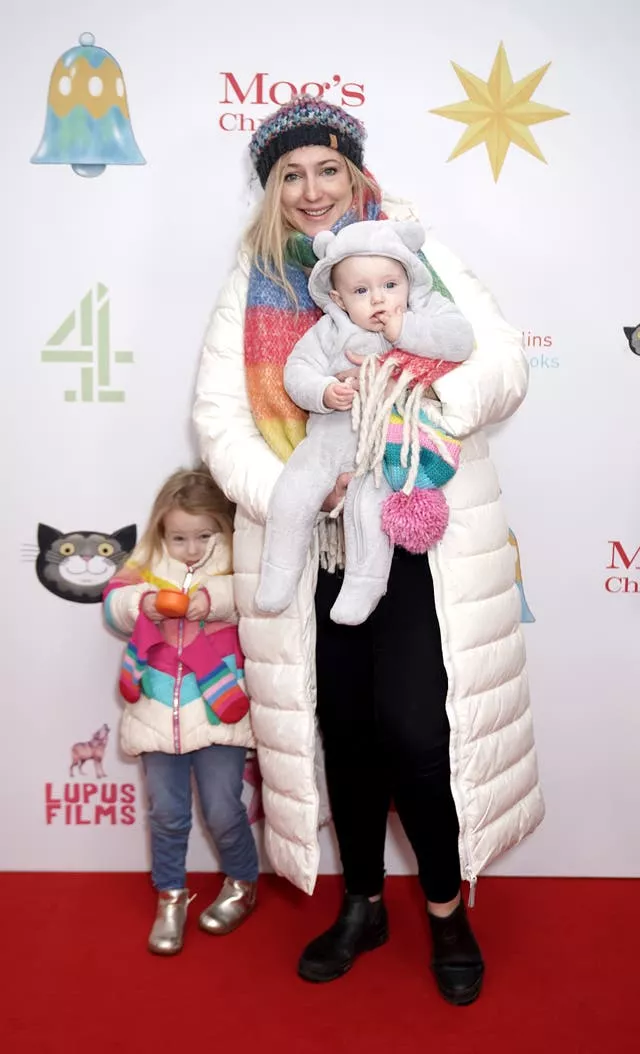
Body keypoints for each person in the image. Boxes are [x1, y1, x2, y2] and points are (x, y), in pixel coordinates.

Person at [193, 94, 544, 1006]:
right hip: (314, 543)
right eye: (291, 176)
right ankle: (360, 904)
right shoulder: (254, 280)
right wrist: (299, 493)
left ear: (354, 173)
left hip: (417, 532)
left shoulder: (409, 254)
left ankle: (441, 907)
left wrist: (410, 420)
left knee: (420, 736)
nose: (312, 191)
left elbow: (497, 362)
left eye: (327, 170)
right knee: (343, 734)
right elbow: (219, 421)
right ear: (272, 189)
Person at [255, 218, 474, 625]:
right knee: (292, 493)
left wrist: (403, 329)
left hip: (384, 444)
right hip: (327, 438)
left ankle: (365, 584)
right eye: (361, 291)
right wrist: (322, 391)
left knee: (369, 508)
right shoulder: (329, 330)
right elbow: (297, 370)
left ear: (409, 280)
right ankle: (278, 573)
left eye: (390, 285)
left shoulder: (424, 314)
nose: (378, 300)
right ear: (337, 299)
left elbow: (461, 340)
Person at [103, 467, 258, 955]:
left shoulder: (241, 564)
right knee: (167, 814)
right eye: (179, 538)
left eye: (203, 536)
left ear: (223, 529)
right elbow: (113, 602)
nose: (190, 549)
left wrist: (212, 601)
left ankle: (241, 883)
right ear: (161, 533)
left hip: (217, 714)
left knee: (222, 810)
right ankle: (171, 895)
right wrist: (141, 604)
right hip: (154, 714)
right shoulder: (146, 563)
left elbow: (257, 597)